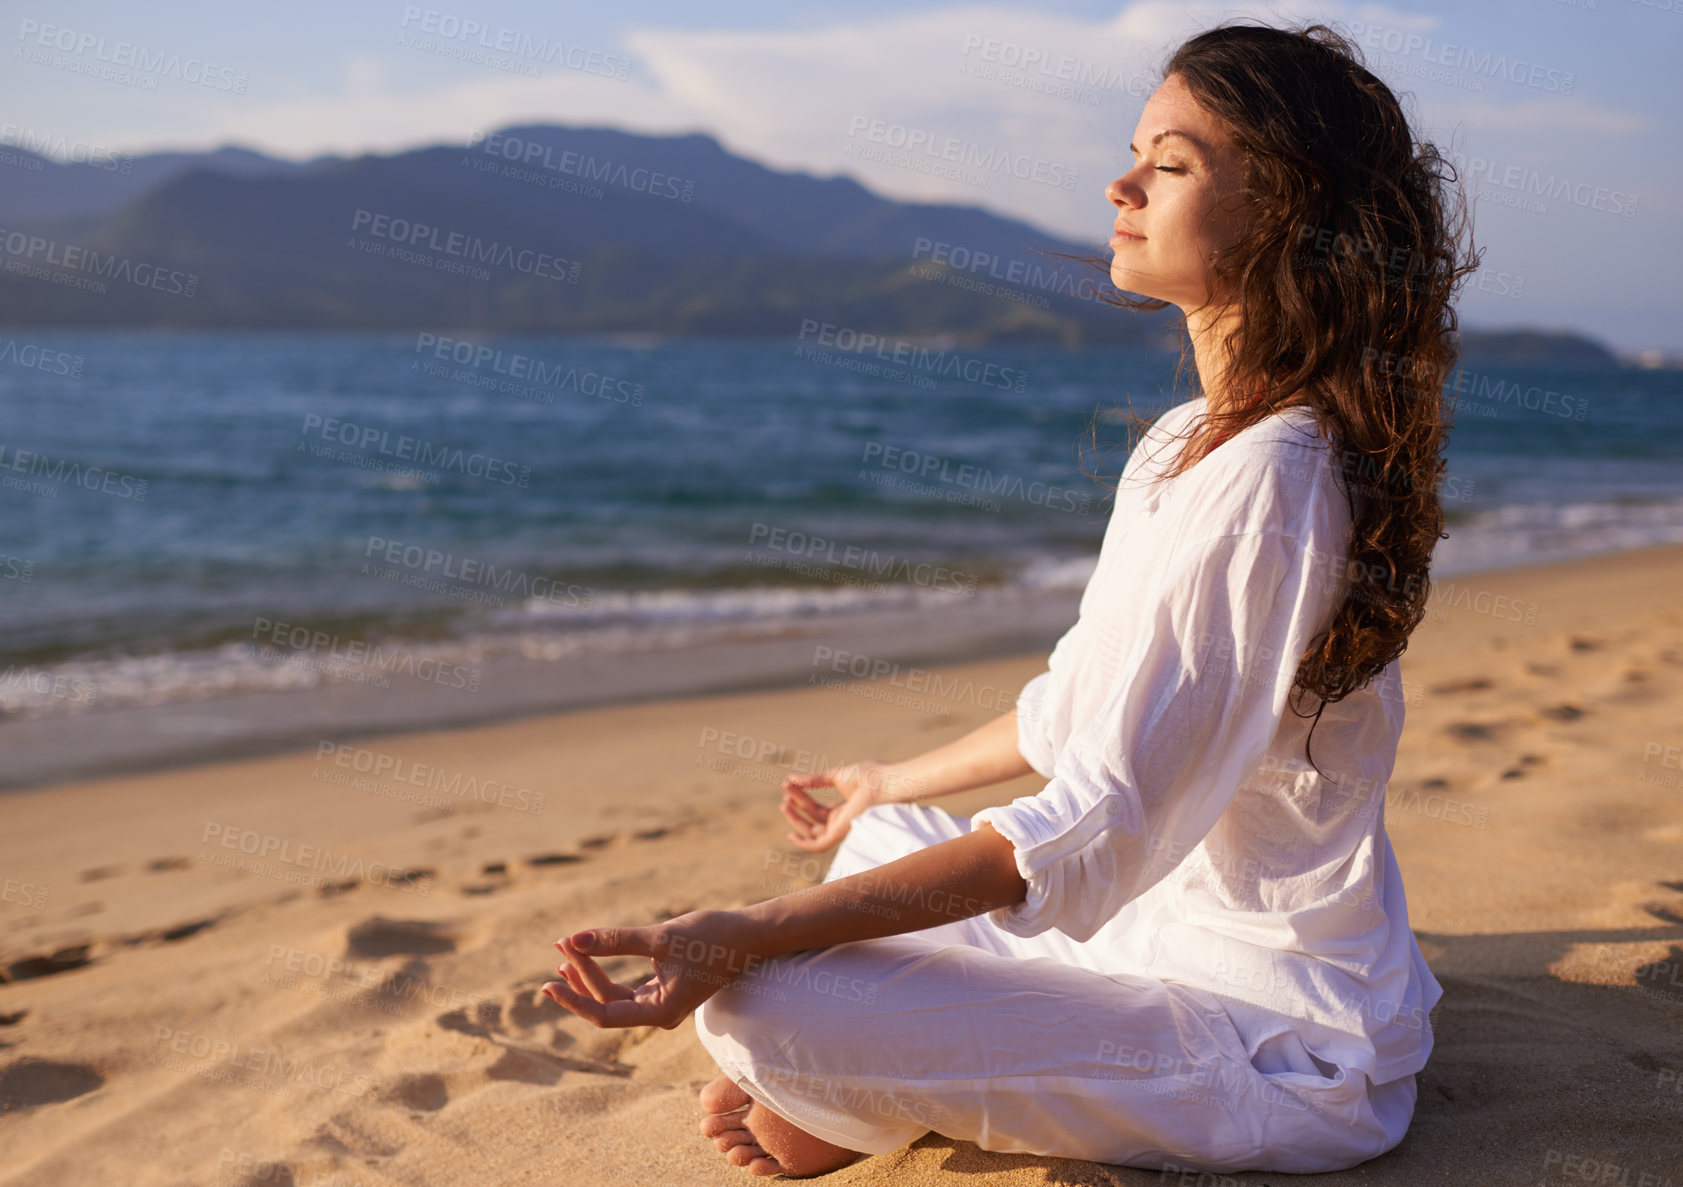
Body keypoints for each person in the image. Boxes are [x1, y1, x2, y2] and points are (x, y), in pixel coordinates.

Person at [541, 20, 1479, 1178]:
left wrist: (742, 930)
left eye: (1170, 165)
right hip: (1142, 935)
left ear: (1287, 211)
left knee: (757, 1006)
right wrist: (888, 781)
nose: (1119, 183)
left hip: (1269, 1033)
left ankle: (850, 1103)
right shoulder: (1194, 437)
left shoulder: (1269, 476)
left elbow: (1094, 817)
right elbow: (1072, 703)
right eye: (1136, 152)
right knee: (882, 840)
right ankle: (870, 1089)